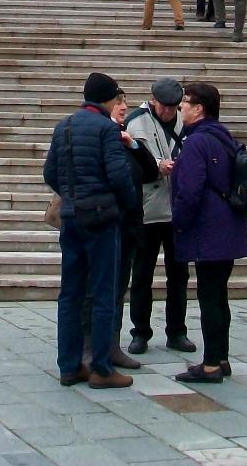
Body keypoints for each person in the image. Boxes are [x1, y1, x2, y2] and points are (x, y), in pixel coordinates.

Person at [43, 72, 139, 389]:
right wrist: (126, 203)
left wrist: (72, 195)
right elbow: (119, 175)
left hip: (72, 217)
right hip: (101, 218)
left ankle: (69, 366)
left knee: (70, 294)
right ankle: (101, 367)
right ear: (108, 99)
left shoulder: (64, 126)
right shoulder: (106, 129)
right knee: (103, 293)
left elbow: (50, 172)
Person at [170, 81, 247, 383]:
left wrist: (179, 221)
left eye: (185, 102)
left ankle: (211, 364)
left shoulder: (197, 142)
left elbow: (189, 190)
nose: (181, 107)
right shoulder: (223, 136)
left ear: (199, 108)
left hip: (208, 228)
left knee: (210, 296)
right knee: (218, 294)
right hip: (228, 225)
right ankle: (221, 357)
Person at [81, 86, 158, 372]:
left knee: (117, 288)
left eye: (125, 102)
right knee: (95, 289)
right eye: (118, 102)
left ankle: (111, 345)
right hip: (105, 223)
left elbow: (151, 173)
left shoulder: (124, 138)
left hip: (128, 227)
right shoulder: (100, 136)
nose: (124, 107)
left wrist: (134, 145)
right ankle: (90, 347)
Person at [126, 78, 195, 359]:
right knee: (142, 274)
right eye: (164, 106)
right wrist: (156, 166)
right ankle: (140, 332)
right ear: (153, 100)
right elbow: (130, 162)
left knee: (179, 275)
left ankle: (177, 331)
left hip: (178, 209)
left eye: (173, 107)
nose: (168, 112)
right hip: (147, 210)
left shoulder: (186, 121)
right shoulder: (135, 122)